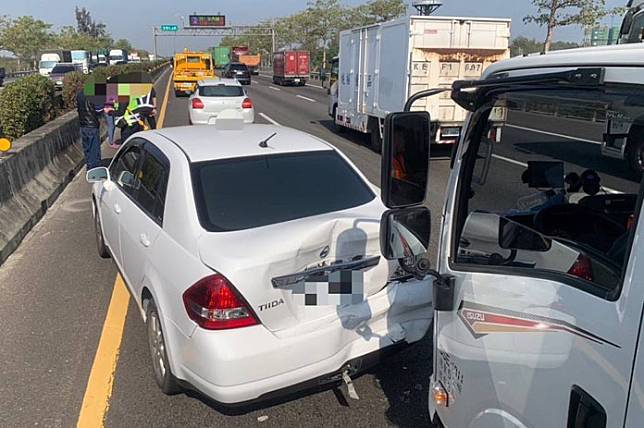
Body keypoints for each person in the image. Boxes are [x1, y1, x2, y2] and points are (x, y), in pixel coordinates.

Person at [76, 88, 104, 169]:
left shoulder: (79, 94)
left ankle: (89, 166)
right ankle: (95, 169)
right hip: (92, 125)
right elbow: (99, 109)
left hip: (82, 125)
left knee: (87, 148)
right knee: (94, 149)